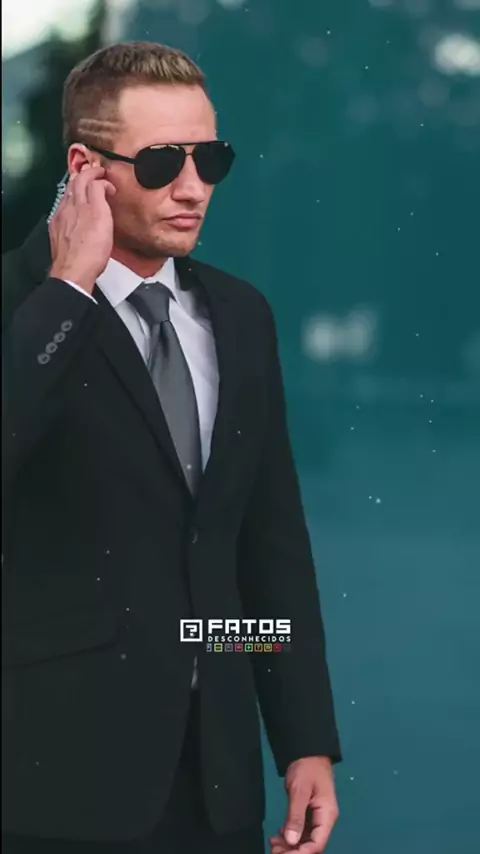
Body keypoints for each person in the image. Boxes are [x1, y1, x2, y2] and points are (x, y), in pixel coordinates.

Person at [1, 42, 341, 854]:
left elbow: (265, 546)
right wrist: (68, 291)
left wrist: (302, 739)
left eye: (209, 159)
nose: (193, 188)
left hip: (214, 790)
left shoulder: (241, 316)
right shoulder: (22, 305)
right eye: (161, 163)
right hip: (47, 787)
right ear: (85, 167)